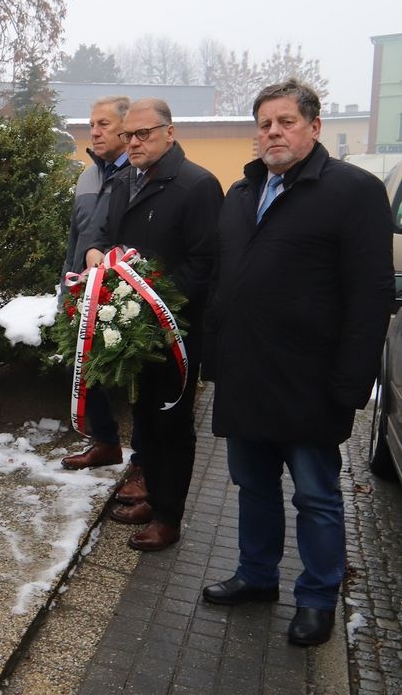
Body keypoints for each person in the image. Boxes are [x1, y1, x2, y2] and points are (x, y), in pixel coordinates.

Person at [201, 79, 394, 646]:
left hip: (310, 381)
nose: (273, 132)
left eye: (286, 121)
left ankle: (316, 598)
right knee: (252, 485)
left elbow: (371, 294)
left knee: (315, 496)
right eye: (264, 124)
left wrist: (352, 383)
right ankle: (257, 576)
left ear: (314, 126)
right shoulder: (242, 193)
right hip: (245, 374)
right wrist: (216, 357)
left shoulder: (353, 192)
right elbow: (223, 282)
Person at [82, 98, 223, 551]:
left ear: (169, 132)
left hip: (174, 330)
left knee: (172, 423)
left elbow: (205, 261)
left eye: (144, 133)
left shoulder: (197, 185)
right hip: (133, 327)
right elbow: (105, 233)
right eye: (129, 135)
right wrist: (96, 255)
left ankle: (168, 516)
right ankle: (154, 496)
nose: (134, 142)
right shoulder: (125, 180)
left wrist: (153, 303)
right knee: (144, 415)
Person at [59, 96, 146, 505]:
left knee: (141, 381)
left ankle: (144, 464)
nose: (94, 132)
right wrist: (66, 289)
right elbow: (76, 239)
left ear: (127, 130)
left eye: (104, 124)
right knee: (82, 367)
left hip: (127, 296)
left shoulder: (141, 175)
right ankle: (105, 441)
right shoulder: (87, 178)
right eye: (92, 124)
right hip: (84, 292)